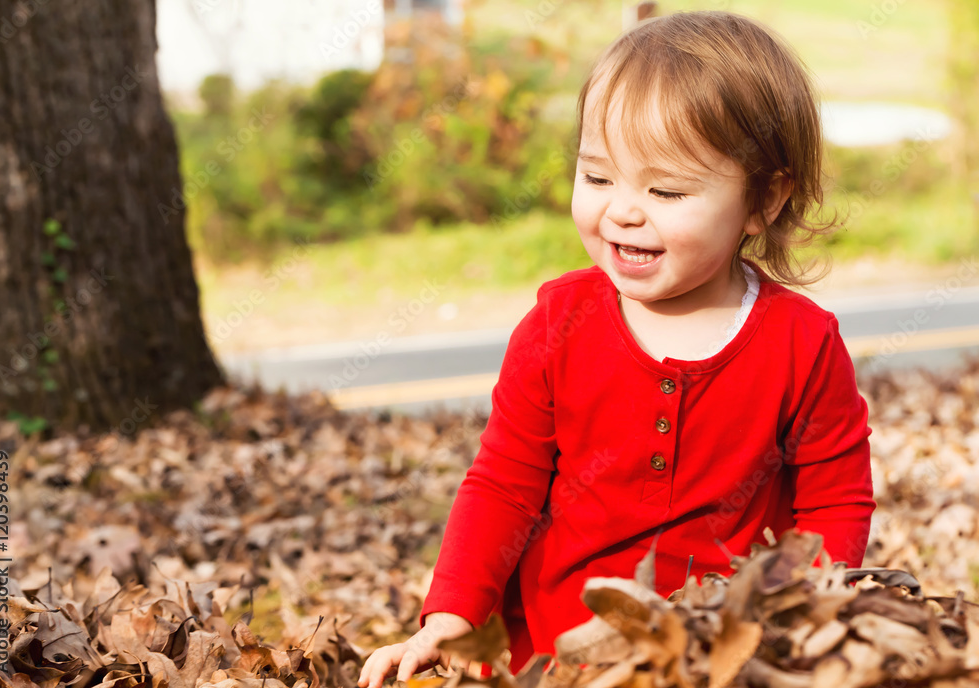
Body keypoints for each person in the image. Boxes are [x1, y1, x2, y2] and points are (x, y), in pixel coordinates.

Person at [358, 10, 876, 688]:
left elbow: (834, 502)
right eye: (598, 177)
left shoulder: (801, 342)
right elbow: (504, 483)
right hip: (563, 649)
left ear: (763, 199)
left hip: (725, 648)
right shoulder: (557, 324)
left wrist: (802, 616)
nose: (624, 211)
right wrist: (451, 612)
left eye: (665, 190)